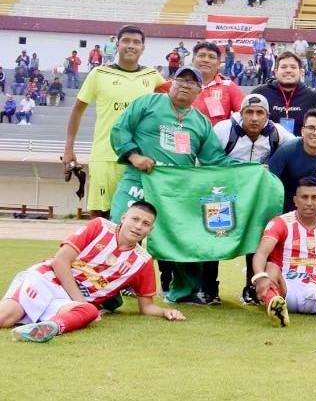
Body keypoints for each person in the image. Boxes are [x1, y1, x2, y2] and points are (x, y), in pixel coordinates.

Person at [109, 66, 238, 304]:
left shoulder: (200, 122)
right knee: (119, 231)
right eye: (181, 79)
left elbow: (215, 159)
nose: (185, 85)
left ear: (199, 90)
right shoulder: (148, 103)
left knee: (186, 238)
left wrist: (248, 169)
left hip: (177, 191)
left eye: (192, 82)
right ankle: (107, 293)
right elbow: (120, 130)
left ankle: (184, 292)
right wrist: (135, 156)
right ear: (171, 82)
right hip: (139, 180)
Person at [1, 201, 185, 343]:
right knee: (5, 318)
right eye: (135, 219)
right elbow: (60, 261)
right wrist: (79, 300)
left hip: (69, 304)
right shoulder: (99, 226)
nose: (138, 226)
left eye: (145, 224)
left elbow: (146, 307)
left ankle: (45, 330)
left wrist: (165, 312)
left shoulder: (143, 261)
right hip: (47, 281)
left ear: (150, 230)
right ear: (123, 218)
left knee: (89, 311)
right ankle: (43, 322)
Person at [64, 25, 164, 218]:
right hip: (105, 156)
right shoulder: (99, 74)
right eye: (126, 41)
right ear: (116, 45)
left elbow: (173, 107)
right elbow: (77, 110)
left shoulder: (153, 77)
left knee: (138, 217)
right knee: (101, 216)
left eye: (136, 42)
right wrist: (69, 148)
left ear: (143, 48)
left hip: (140, 159)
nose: (131, 46)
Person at [213, 93, 296, 303]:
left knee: (256, 240)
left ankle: (252, 288)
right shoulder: (224, 130)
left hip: (256, 197)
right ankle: (209, 287)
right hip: (225, 195)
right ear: (241, 113)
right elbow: (209, 158)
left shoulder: (276, 132)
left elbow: (298, 147)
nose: (255, 118)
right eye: (249, 112)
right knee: (216, 235)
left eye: (260, 113)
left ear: (268, 115)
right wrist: (245, 170)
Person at [249, 179, 316, 327]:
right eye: (304, 197)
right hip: (285, 290)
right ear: (295, 200)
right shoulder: (280, 222)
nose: (309, 202)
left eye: (314, 198)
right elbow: (261, 253)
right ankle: (275, 305)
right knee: (271, 267)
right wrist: (260, 277)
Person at [267, 109, 316, 217]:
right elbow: (269, 184)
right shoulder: (286, 151)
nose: (315, 133)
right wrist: (275, 217)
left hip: (314, 203)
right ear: (302, 131)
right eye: (311, 128)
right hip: (285, 204)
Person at [252, 51, 316, 135]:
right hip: (267, 149)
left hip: (300, 149)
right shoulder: (260, 94)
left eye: (293, 67)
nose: (288, 70)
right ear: (275, 72)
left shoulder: (314, 96)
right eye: (283, 67)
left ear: (301, 72)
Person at [157, 42, 244, 126]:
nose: (206, 60)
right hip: (180, 137)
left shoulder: (229, 86)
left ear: (218, 64)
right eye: (202, 55)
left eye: (211, 57)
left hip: (215, 139)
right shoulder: (176, 84)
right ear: (193, 60)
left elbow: (244, 114)